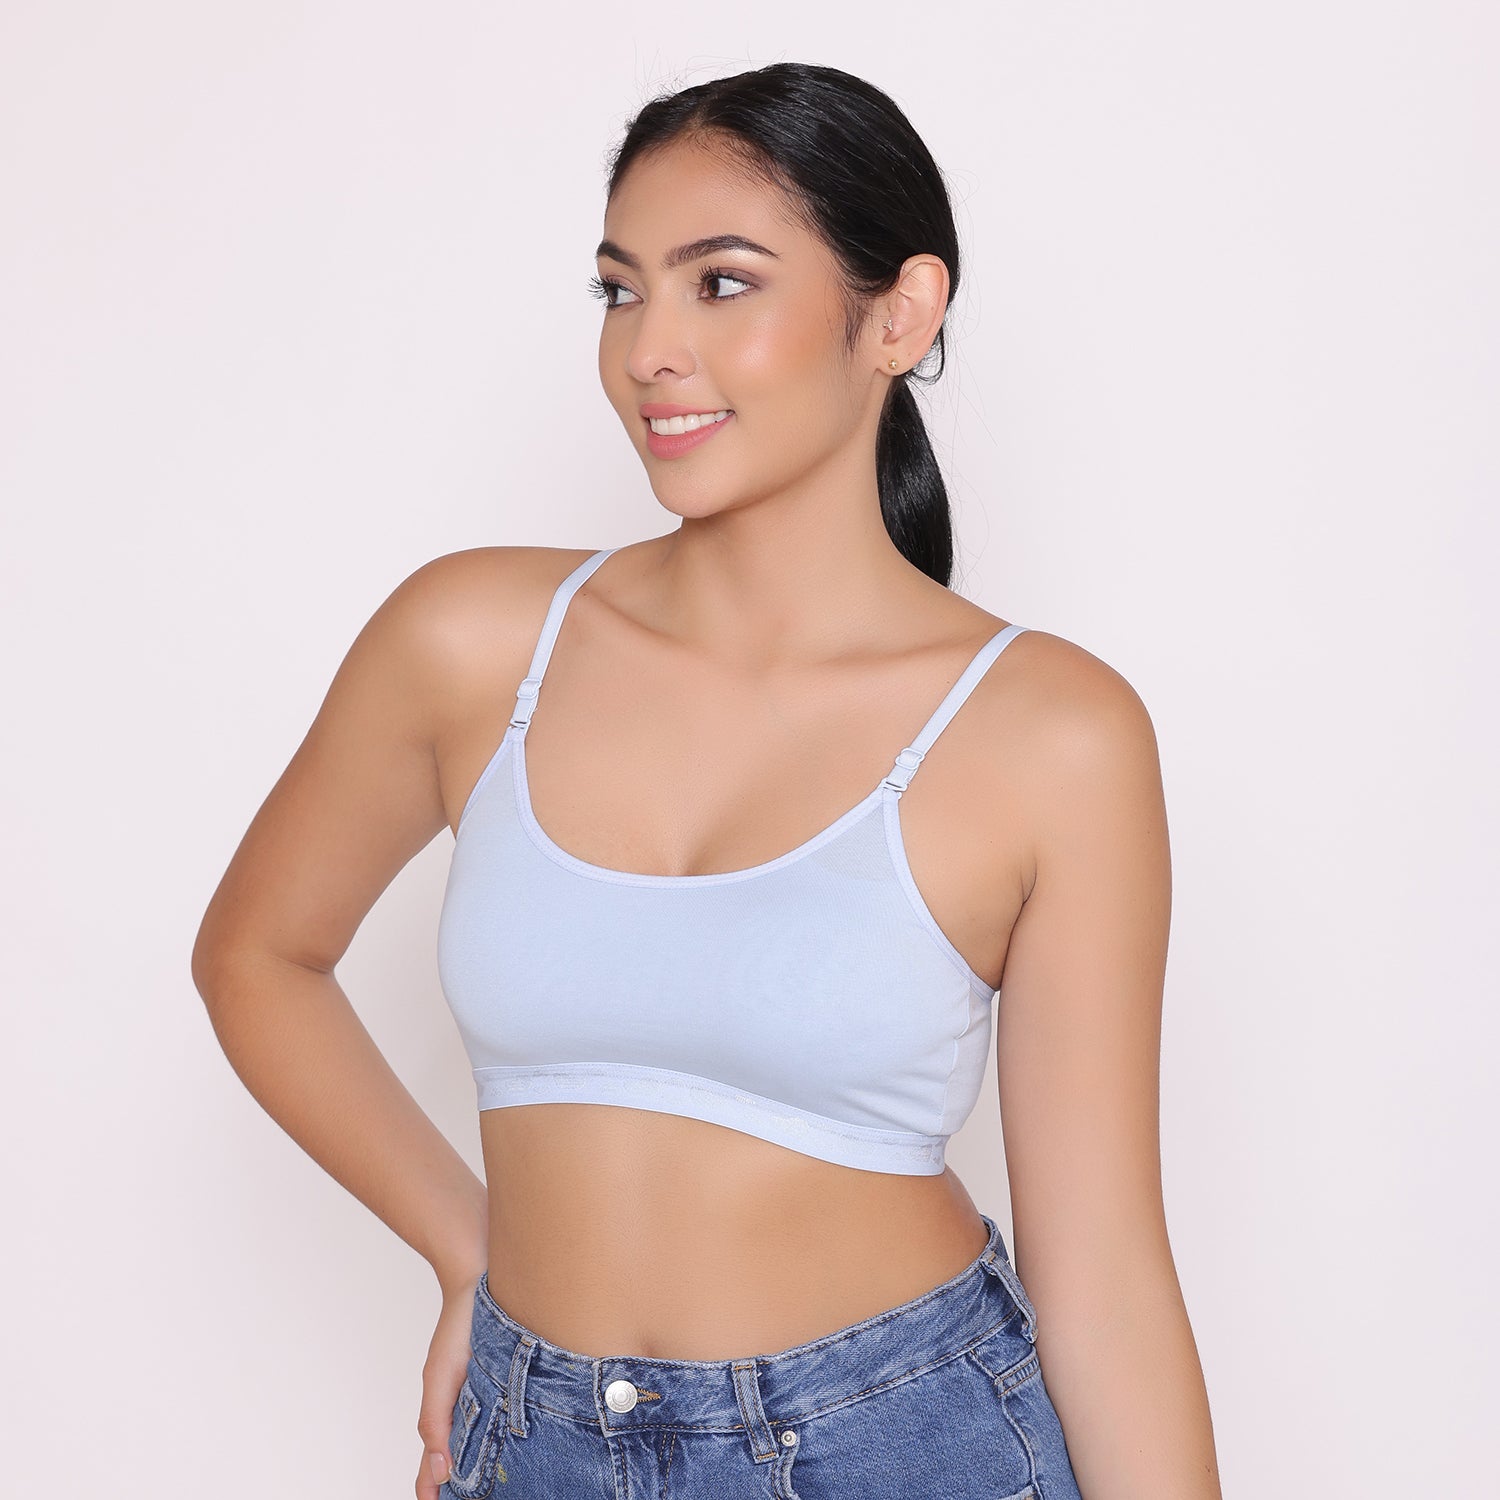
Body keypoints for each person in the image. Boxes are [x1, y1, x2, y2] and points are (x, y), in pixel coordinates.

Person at [192, 61, 1221, 1500]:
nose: (649, 350)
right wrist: (468, 1249)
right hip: (532, 1438)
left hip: (903, 1442)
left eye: (721, 284)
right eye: (621, 291)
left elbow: (1102, 1274)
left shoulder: (1052, 735)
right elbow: (257, 954)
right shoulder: (472, 642)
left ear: (901, 315)